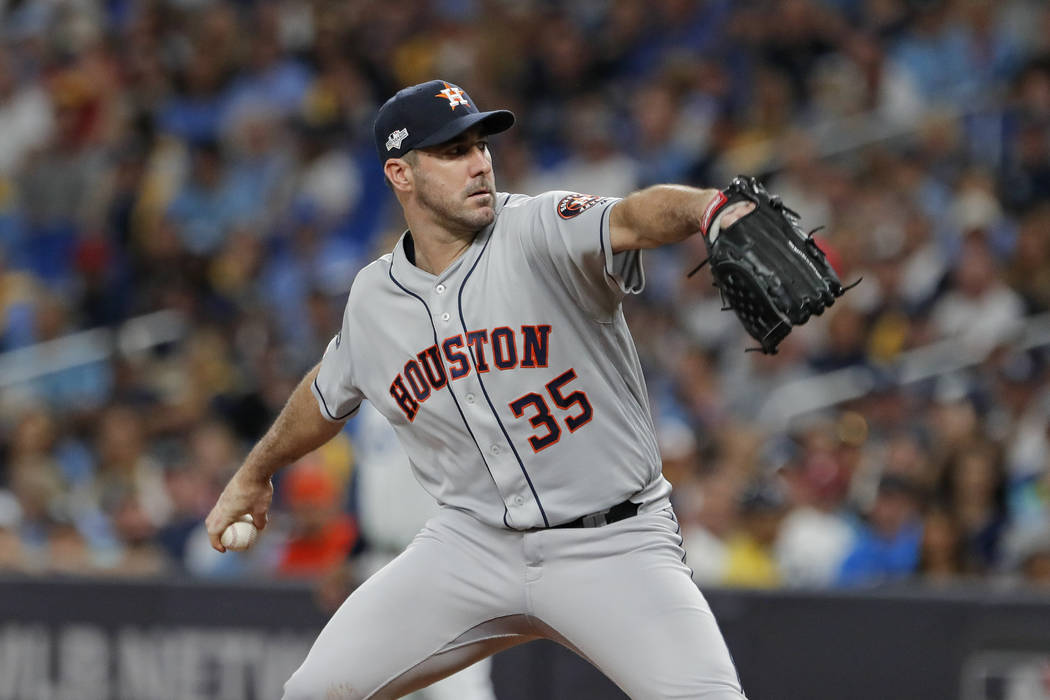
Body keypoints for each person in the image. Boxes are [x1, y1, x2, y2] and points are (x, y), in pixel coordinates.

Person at [206, 79, 754, 699]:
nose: (478, 164)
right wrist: (254, 472)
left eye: (480, 146)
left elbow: (631, 217)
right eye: (452, 151)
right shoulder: (374, 297)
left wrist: (707, 207)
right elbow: (328, 390)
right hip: (472, 547)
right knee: (312, 694)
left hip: (615, 542)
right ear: (400, 174)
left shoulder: (539, 228)